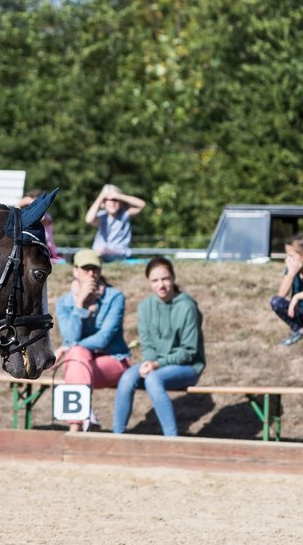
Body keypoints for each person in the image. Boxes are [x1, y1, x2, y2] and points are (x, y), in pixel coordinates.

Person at [113, 257, 205, 436]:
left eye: (165, 278)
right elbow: (147, 343)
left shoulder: (187, 306)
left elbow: (189, 351)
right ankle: (117, 436)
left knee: (153, 380)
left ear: (173, 278)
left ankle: (171, 439)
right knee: (127, 378)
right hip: (156, 364)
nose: (161, 285)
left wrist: (156, 365)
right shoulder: (145, 307)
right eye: (155, 280)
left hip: (188, 366)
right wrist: (149, 362)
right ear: (149, 282)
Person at [55, 249, 130, 431]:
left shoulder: (114, 297)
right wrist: (79, 303)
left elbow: (104, 338)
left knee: (74, 356)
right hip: (80, 363)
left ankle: (75, 428)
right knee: (76, 356)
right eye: (86, 268)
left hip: (114, 359)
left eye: (95, 269)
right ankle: (83, 420)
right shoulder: (64, 303)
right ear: (75, 270)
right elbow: (71, 336)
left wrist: (68, 347)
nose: (91, 274)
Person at [84, 183, 147, 261]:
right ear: (104, 203)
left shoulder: (125, 214)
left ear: (120, 202)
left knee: (104, 251)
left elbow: (142, 205)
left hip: (120, 253)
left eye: (115, 200)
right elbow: (88, 220)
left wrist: (119, 196)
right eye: (109, 200)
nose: (112, 202)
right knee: (93, 252)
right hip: (100, 253)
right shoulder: (102, 216)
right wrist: (101, 196)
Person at [17, 188, 60, 261]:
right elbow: (15, 217)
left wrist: (31, 201)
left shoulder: (47, 217)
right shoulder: (26, 215)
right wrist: (19, 205)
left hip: (45, 247)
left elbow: (41, 218)